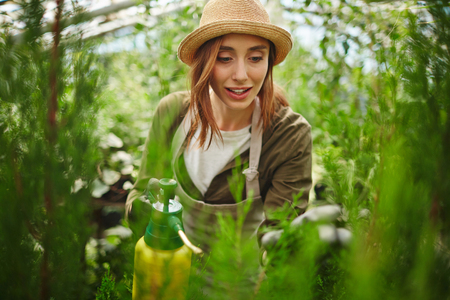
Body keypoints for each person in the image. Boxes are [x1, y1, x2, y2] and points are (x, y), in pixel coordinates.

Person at [126, 0, 312, 291]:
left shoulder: (287, 134)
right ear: (203, 62)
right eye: (225, 58)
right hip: (168, 281)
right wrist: (145, 209)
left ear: (269, 61)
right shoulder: (173, 113)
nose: (241, 75)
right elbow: (138, 193)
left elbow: (280, 233)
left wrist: (290, 251)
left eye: (255, 58)